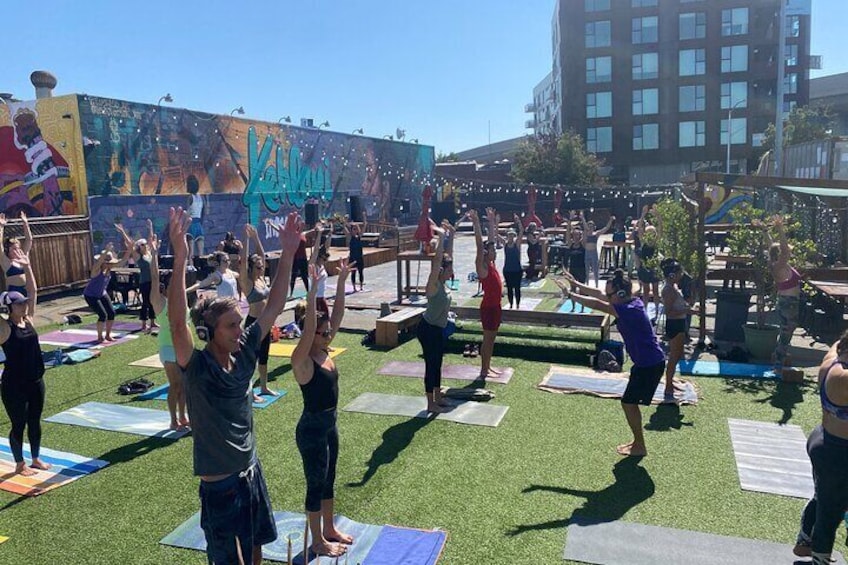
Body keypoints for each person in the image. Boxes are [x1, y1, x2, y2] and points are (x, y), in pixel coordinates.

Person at [167, 206, 300, 565]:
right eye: (231, 325)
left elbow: (275, 304)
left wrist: (288, 254)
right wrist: (181, 257)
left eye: (239, 323)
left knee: (256, 552)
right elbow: (178, 323)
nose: (240, 330)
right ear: (209, 332)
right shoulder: (198, 368)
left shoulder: (243, 352)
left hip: (251, 472)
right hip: (221, 487)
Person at [557, 269, 666, 457]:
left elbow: (598, 303)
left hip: (650, 364)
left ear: (621, 293)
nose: (608, 297)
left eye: (611, 294)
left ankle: (640, 445)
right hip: (646, 363)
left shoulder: (629, 309)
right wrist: (577, 284)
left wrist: (571, 295)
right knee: (629, 403)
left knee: (629, 403)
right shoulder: (630, 301)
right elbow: (600, 295)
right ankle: (638, 442)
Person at [291, 258, 354, 558]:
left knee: (329, 478)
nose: (328, 335)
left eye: (328, 331)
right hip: (312, 429)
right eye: (322, 331)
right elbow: (307, 332)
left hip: (330, 425)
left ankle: (329, 528)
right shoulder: (302, 360)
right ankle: (317, 541)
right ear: (310, 332)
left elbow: (338, 314)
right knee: (315, 484)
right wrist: (312, 291)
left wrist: (340, 282)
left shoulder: (324, 348)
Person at [793, 330, 848, 564]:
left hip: (823, 441)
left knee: (823, 496)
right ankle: (819, 559)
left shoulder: (831, 359)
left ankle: (805, 540)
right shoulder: (844, 378)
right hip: (839, 452)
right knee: (830, 509)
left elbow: (837, 342)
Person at [0, 290, 50, 476]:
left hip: (36, 381)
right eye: (19, 303)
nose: (24, 305)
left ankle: (35, 459)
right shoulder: (5, 328)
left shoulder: (28, 320)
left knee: (34, 421)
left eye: (24, 302)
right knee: (19, 424)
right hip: (14, 385)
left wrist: (27, 268)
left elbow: (34, 290)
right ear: (8, 307)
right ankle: (20, 464)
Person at [146, 220, 190, 431]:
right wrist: (154, 253)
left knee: (184, 385)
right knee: (175, 385)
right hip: (167, 346)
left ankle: (183, 416)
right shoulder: (160, 302)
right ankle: (173, 419)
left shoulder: (180, 301)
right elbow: (154, 277)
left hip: (183, 345)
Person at [239, 223, 277, 402]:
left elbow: (261, 255)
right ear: (252, 268)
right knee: (251, 359)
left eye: (262, 266)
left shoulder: (261, 278)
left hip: (266, 322)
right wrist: (246, 239)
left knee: (264, 357)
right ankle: (250, 392)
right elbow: (244, 261)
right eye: (259, 267)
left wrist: (256, 238)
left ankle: (263, 386)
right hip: (254, 323)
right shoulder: (248, 283)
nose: (262, 268)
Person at [417, 226, 453, 413]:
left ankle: (438, 397)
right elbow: (438, 260)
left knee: (438, 363)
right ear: (441, 270)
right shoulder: (433, 285)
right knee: (431, 365)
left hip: (438, 329)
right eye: (449, 269)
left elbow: (448, 256)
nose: (451, 271)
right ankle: (431, 403)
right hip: (427, 329)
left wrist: (450, 236)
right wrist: (440, 238)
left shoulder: (445, 284)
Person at [470, 208, 503, 379]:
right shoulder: (482, 267)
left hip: (496, 307)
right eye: (493, 251)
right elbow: (479, 244)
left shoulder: (492, 265)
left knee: (492, 339)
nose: (495, 252)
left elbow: (490, 241)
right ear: (486, 254)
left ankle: (488, 367)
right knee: (487, 339)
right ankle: (484, 370)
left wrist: (491, 222)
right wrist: (476, 223)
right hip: (489, 308)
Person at [84, 231, 131, 343]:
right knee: (102, 315)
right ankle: (100, 337)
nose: (110, 264)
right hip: (91, 295)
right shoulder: (96, 270)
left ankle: (108, 335)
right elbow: (98, 263)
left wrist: (129, 250)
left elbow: (122, 262)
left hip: (102, 293)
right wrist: (106, 252)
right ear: (104, 262)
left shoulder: (109, 269)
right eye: (108, 262)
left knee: (111, 313)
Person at [768, 215, 801, 374]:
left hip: (787, 302)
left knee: (786, 332)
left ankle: (778, 358)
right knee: (786, 334)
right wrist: (780, 229)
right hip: (788, 303)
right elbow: (784, 250)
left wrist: (764, 231)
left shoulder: (779, 264)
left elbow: (772, 246)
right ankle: (778, 366)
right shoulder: (779, 265)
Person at [660, 260, 694, 399]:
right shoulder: (669, 290)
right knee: (674, 357)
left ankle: (670, 382)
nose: (682, 275)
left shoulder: (672, 288)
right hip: (674, 324)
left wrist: (687, 309)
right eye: (680, 272)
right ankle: (668, 386)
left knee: (676, 355)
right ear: (673, 275)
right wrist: (687, 311)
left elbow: (677, 308)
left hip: (679, 323)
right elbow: (669, 312)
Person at [115, 223, 157, 333]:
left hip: (152, 281)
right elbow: (130, 244)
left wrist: (150, 227)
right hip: (144, 282)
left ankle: (152, 322)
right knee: (146, 302)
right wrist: (123, 231)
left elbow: (151, 239)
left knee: (152, 301)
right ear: (139, 247)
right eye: (142, 244)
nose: (145, 245)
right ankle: (144, 324)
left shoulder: (148, 254)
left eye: (145, 244)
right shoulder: (138, 256)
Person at [0, 212, 36, 317]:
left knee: (29, 316)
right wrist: (1, 227)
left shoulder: (23, 257)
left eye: (18, 248)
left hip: (26, 290)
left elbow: (29, 240)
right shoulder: (6, 262)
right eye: (13, 249)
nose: (17, 250)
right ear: (8, 250)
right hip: (13, 292)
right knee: (16, 317)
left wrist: (25, 223)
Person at [581, 211, 614, 285]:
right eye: (589, 226)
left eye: (592, 226)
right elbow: (584, 225)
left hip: (593, 252)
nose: (590, 227)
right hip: (587, 252)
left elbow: (606, 228)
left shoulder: (596, 234)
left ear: (594, 227)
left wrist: (610, 220)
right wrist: (582, 217)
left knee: (595, 269)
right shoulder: (586, 233)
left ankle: (596, 284)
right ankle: (587, 284)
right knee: (586, 269)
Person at [502, 214, 523, 309]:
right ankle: (510, 304)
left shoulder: (516, 244)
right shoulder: (505, 244)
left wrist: (518, 222)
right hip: (507, 270)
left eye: (512, 235)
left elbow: (522, 231)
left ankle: (518, 304)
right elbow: (495, 234)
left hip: (517, 270)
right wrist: (495, 222)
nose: (510, 237)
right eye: (509, 235)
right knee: (509, 289)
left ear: (514, 236)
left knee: (517, 288)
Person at [342, 218, 365, 292]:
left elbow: (364, 226)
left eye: (356, 229)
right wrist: (344, 222)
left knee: (361, 272)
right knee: (353, 273)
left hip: (360, 257)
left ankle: (361, 286)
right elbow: (344, 228)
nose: (355, 230)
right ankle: (354, 287)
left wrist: (364, 217)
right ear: (351, 230)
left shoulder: (359, 237)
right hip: (353, 258)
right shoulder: (349, 237)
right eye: (354, 229)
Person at [185, 175, 206, 258]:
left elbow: (187, 213)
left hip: (191, 224)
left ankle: (191, 267)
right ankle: (201, 267)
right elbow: (205, 211)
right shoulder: (202, 197)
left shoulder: (190, 197)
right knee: (201, 253)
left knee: (191, 252)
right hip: (199, 224)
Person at [290, 218, 310, 295]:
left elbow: (309, 231)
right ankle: (291, 293)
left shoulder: (303, 234)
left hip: (303, 258)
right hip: (296, 258)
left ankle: (308, 291)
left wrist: (316, 229)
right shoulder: (293, 235)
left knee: (305, 276)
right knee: (294, 276)